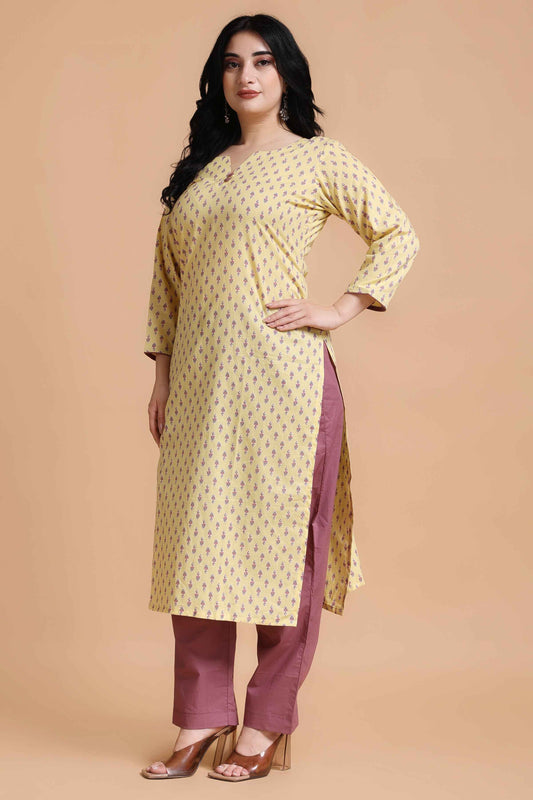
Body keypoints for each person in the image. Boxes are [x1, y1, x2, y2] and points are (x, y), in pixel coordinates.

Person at [140, 13, 420, 783]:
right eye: (232, 63)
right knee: (196, 553)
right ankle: (202, 717)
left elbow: (395, 233)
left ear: (287, 73)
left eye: (263, 61)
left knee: (284, 557)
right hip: (200, 392)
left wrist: (340, 309)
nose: (247, 76)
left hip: (284, 386)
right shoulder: (200, 173)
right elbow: (167, 284)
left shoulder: (316, 158)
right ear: (217, 79)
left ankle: (265, 724)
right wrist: (161, 377)